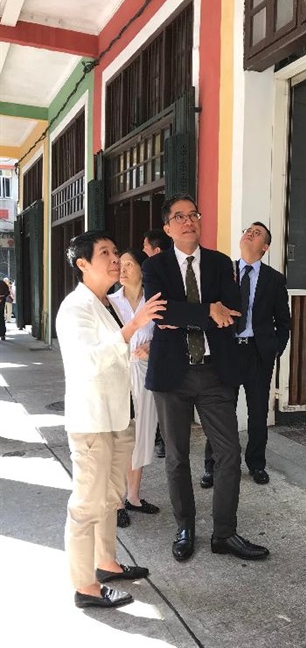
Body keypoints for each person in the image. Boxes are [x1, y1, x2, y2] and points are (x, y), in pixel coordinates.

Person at [142, 193, 270, 562]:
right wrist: (206, 310)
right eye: (179, 216)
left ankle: (224, 533)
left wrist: (192, 313)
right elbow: (159, 312)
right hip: (172, 375)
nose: (188, 221)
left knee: (229, 453)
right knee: (177, 457)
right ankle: (185, 527)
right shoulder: (156, 267)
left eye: (193, 214)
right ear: (168, 227)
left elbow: (233, 311)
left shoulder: (218, 264)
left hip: (215, 373)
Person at [56, 230, 165, 609]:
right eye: (105, 253)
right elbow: (87, 361)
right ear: (82, 264)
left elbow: (118, 351)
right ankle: (85, 586)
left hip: (118, 416)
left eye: (116, 251)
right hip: (93, 421)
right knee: (87, 505)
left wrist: (134, 345)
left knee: (108, 501)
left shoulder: (105, 304)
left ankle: (106, 563)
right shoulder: (75, 308)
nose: (115, 258)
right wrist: (132, 328)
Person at [200, 222, 290, 488]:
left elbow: (283, 322)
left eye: (258, 232)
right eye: (248, 230)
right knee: (218, 412)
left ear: (265, 247)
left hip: (258, 354)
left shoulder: (274, 279)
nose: (250, 233)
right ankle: (212, 466)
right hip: (227, 352)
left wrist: (274, 350)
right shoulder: (224, 273)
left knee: (258, 413)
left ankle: (256, 464)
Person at [109, 248, 160, 528]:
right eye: (121, 264)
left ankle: (134, 497)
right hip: (118, 375)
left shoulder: (153, 301)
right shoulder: (110, 302)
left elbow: (165, 334)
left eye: (129, 263)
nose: (123, 268)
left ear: (143, 269)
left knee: (141, 435)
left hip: (144, 374)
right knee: (120, 437)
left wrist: (153, 346)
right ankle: (116, 502)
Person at [142, 228, 172, 457]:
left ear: (157, 250)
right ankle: (154, 435)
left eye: (146, 246)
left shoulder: (170, 277)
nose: (143, 250)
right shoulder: (147, 275)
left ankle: (162, 438)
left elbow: (166, 315)